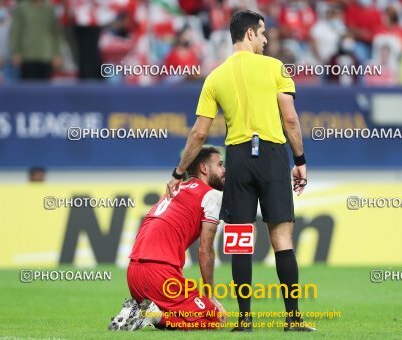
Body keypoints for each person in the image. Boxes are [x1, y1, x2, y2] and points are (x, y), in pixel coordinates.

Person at [166, 10, 313, 332]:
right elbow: (290, 119)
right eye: (261, 33)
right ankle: (293, 319)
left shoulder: (215, 77)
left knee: (240, 239)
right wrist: (299, 160)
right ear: (249, 34)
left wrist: (179, 172)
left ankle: (244, 320)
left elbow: (199, 134)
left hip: (238, 158)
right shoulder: (274, 67)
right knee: (282, 239)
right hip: (273, 154)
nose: (265, 39)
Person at [109, 147, 226, 331]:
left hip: (134, 273)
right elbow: (205, 250)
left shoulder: (175, 189)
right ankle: (153, 316)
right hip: (160, 274)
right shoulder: (211, 194)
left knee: (179, 312)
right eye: (220, 165)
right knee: (215, 317)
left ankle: (137, 310)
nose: (224, 170)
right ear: (204, 168)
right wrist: (210, 295)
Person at [10, 0, 62, 80]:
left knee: (45, 89)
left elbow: (56, 33)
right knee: (28, 89)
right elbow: (16, 31)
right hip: (27, 55)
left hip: (46, 55)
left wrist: (57, 54)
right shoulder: (21, 8)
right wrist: (16, 52)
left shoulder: (50, 8)